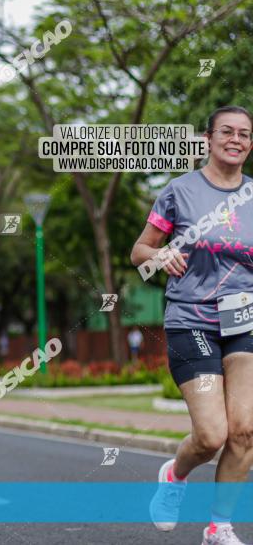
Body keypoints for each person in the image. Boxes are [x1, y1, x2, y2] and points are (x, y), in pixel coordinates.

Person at [131, 105, 253, 545]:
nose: (235, 139)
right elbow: (139, 250)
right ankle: (175, 474)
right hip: (192, 319)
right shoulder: (179, 192)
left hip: (244, 322)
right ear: (208, 139)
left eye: (244, 133)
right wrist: (160, 255)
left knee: (245, 431)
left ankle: (219, 527)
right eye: (226, 131)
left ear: (251, 143)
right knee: (212, 434)